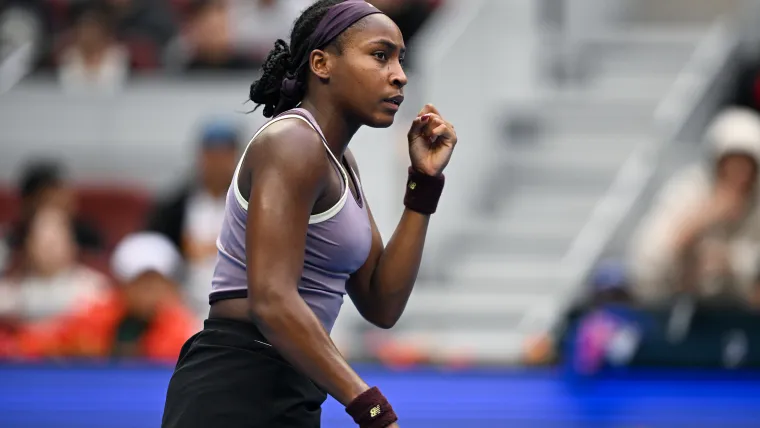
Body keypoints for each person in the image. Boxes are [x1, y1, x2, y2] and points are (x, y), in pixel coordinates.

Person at [161, 1, 458, 427]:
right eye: (380, 55)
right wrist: (371, 408)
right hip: (236, 384)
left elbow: (382, 302)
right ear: (321, 63)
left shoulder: (339, 161)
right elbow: (272, 301)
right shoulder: (292, 144)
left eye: (400, 59)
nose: (399, 74)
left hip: (290, 386)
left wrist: (423, 184)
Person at [629, 107, 760, 306]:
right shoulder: (686, 192)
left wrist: (731, 263)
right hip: (679, 311)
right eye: (731, 165)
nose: (739, 176)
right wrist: (700, 222)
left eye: (746, 167)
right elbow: (646, 263)